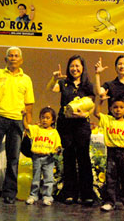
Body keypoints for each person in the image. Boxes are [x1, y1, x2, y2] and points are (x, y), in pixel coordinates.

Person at [0, 46, 35, 206]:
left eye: (16, 56)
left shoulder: (27, 79)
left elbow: (29, 106)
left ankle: (9, 194)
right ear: (6, 59)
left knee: (13, 160)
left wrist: (27, 126)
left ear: (21, 60)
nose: (13, 58)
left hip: (16, 121)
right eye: (11, 55)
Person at [47, 55, 95, 206]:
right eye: (72, 66)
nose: (74, 69)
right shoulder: (63, 83)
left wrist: (85, 114)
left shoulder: (87, 85)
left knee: (83, 159)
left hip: (81, 125)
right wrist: (54, 78)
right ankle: (69, 193)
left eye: (77, 66)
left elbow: (92, 104)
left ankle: (86, 194)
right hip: (65, 125)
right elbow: (50, 89)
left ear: (82, 68)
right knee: (68, 158)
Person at [94, 95, 124, 213]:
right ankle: (109, 202)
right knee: (110, 178)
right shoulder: (108, 120)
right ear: (111, 109)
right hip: (112, 152)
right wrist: (101, 101)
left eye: (121, 107)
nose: (118, 110)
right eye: (115, 107)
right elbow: (96, 113)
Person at [24, 106, 61, 206]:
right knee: (35, 178)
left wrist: (58, 150)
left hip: (48, 158)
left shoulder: (54, 132)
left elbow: (57, 145)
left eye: (47, 118)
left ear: (53, 120)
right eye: (43, 117)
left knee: (48, 178)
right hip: (36, 156)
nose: (44, 120)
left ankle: (47, 197)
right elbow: (27, 127)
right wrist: (24, 116)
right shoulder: (36, 129)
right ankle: (33, 196)